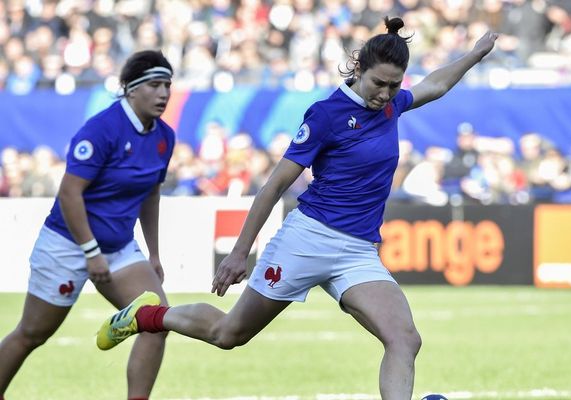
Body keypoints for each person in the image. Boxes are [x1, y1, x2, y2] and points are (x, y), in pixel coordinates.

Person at [97, 18, 498, 400]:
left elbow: (436, 84)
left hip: (358, 251)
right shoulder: (326, 115)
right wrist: (240, 252)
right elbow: (274, 185)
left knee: (405, 339)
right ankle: (147, 316)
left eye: (394, 87)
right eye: (378, 84)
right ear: (359, 70)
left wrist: (475, 54)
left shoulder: (392, 105)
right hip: (308, 240)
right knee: (228, 333)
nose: (385, 94)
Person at [0, 50, 175, 400]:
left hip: (119, 247)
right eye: (155, 85)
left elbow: (150, 196)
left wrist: (154, 253)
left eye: (168, 85)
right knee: (33, 333)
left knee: (157, 323)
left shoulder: (164, 138)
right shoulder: (101, 130)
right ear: (130, 89)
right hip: (67, 244)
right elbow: (69, 194)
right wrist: (90, 251)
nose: (164, 94)